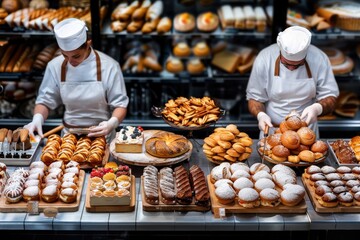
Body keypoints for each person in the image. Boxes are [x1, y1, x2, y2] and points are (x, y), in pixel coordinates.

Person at [24, 18, 128, 142]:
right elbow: (45, 101)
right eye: (64, 55)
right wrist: (37, 119)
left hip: (102, 137)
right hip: (69, 138)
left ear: (88, 44)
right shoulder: (55, 66)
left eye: (76, 56)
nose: (70, 61)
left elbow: (120, 105)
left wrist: (112, 123)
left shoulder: (109, 66)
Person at [246, 26, 339, 138]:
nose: (291, 69)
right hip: (273, 131)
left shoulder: (319, 58)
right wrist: (260, 115)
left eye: (298, 65)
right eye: (286, 64)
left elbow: (331, 97)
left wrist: (317, 109)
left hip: (307, 133)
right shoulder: (265, 58)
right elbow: (254, 99)